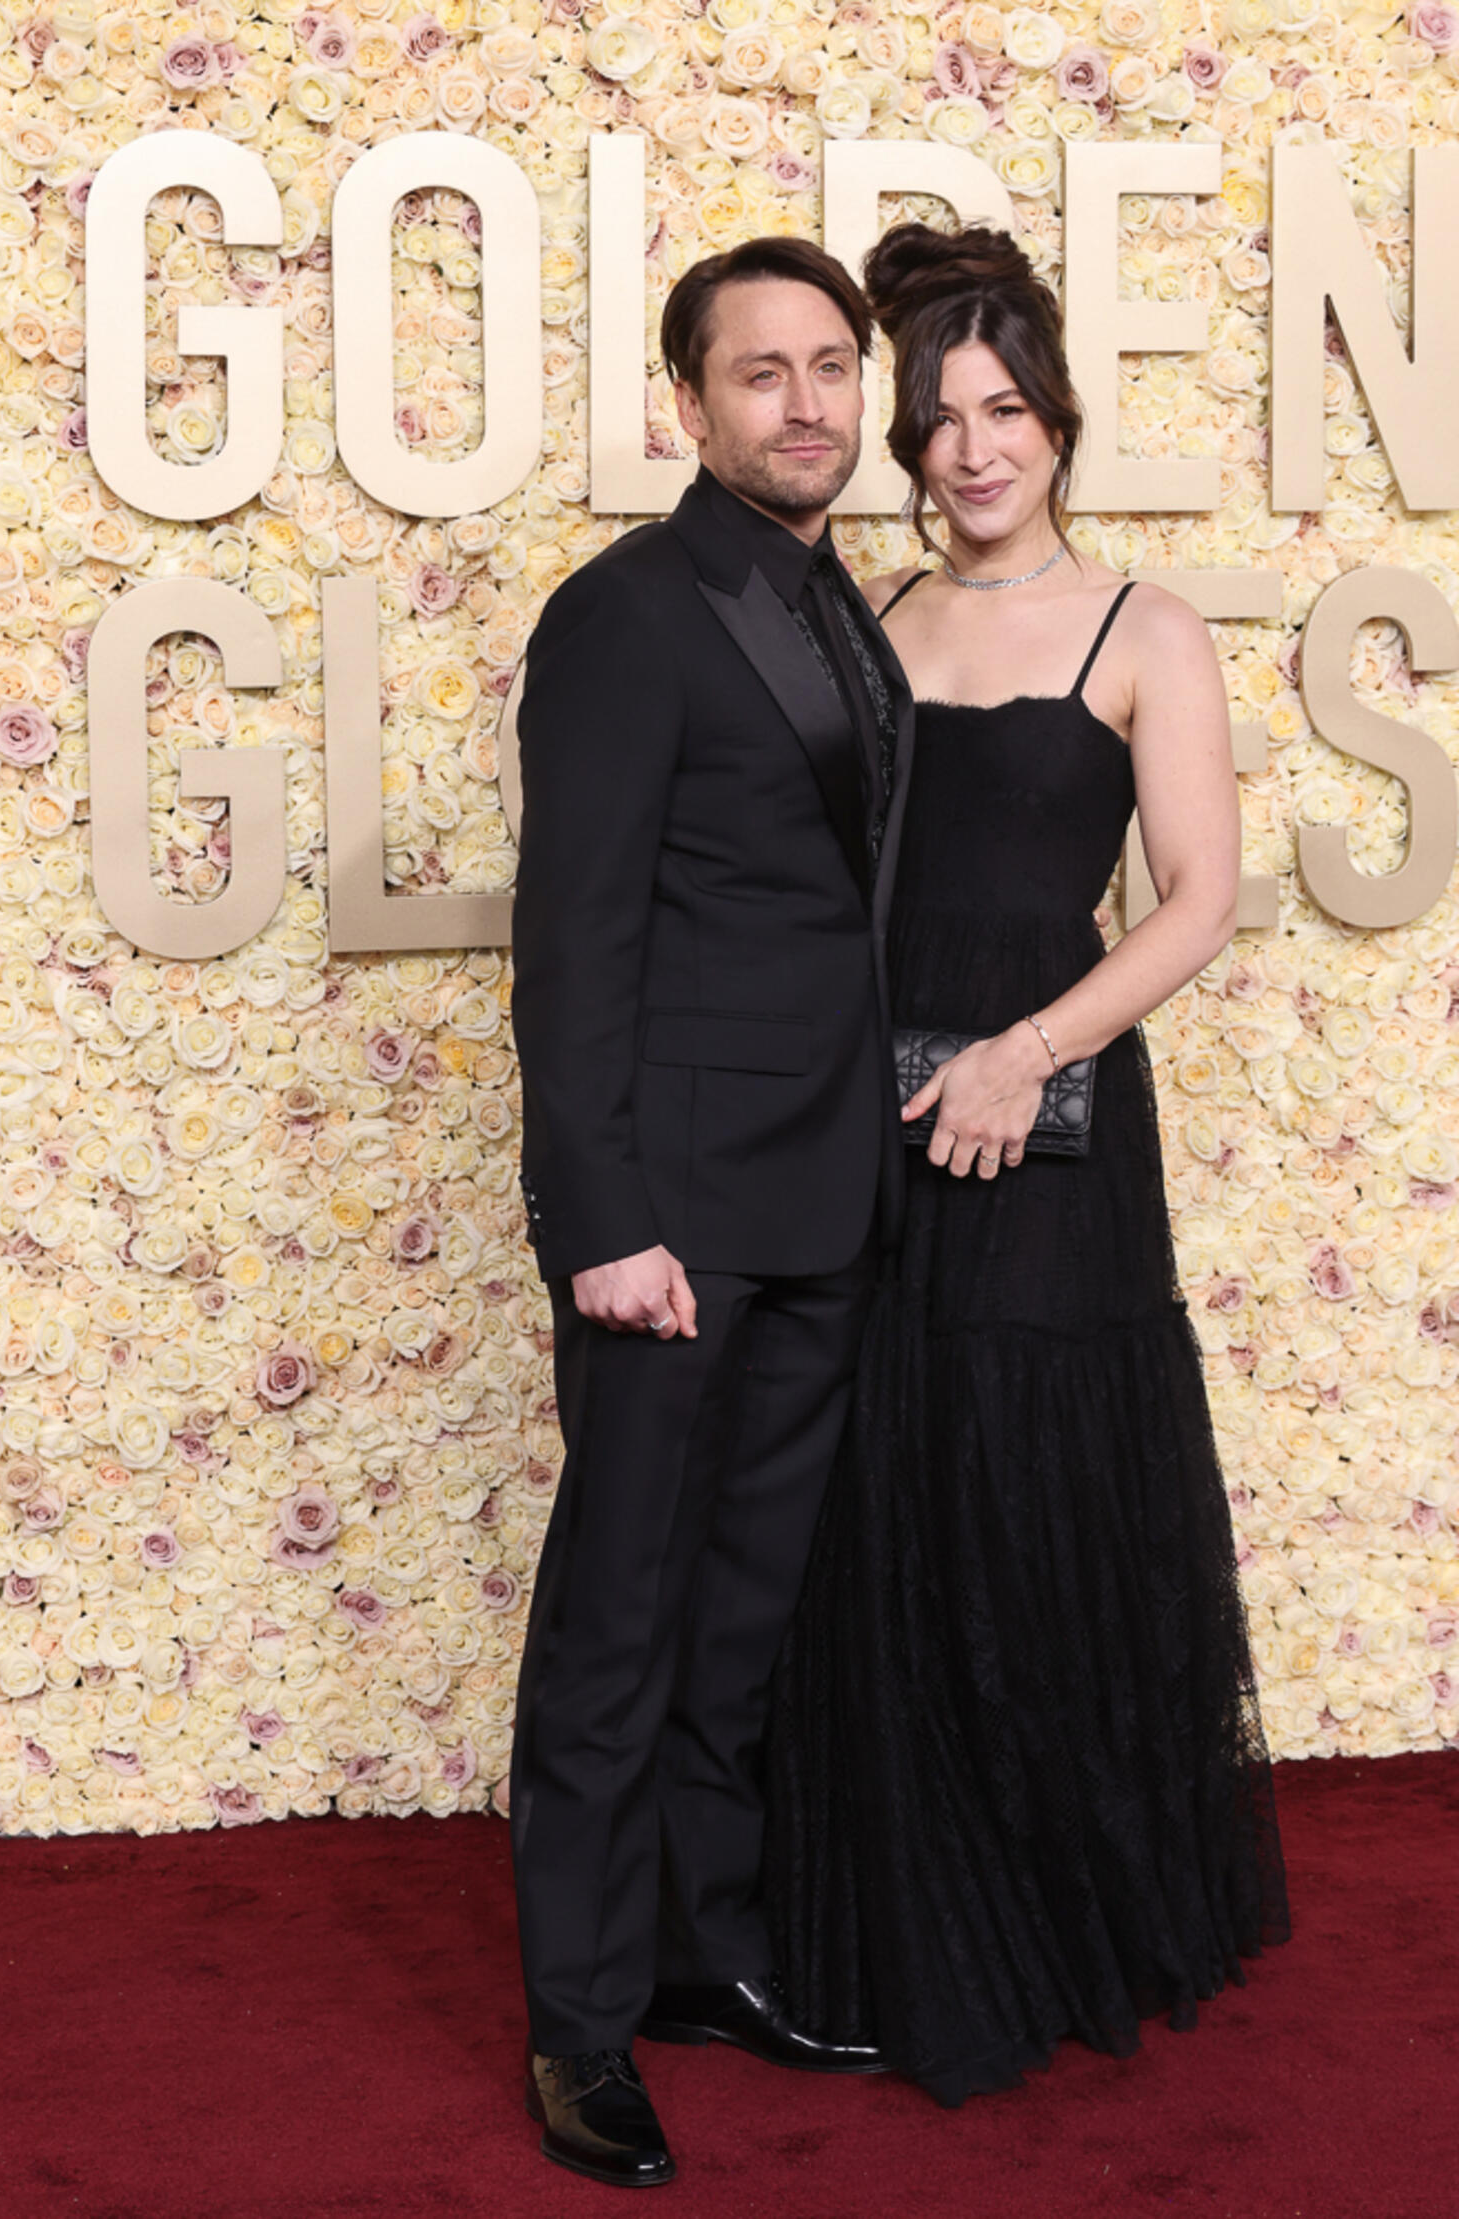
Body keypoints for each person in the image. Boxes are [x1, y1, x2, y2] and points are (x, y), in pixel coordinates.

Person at [765, 222, 1291, 2108]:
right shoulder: (865, 620)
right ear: (904, 443)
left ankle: (1069, 1913)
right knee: (877, 1481)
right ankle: (899, 1918)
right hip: (872, 1123)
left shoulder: (1145, 630)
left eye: (1003, 410)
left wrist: (1027, 1051)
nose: (972, 449)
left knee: (1027, 1482)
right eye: (936, 419)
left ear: (1057, 417)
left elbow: (1200, 901)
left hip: (1049, 1125)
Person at [509, 236, 917, 2186]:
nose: (804, 401)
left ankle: (697, 1953)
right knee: (620, 1623)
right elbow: (570, 947)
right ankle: (580, 2029)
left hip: (824, 1205)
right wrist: (601, 1219)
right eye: (759, 373)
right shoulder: (626, 615)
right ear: (688, 404)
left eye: (828, 364)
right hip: (666, 1225)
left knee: (739, 1623)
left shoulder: (843, 603)